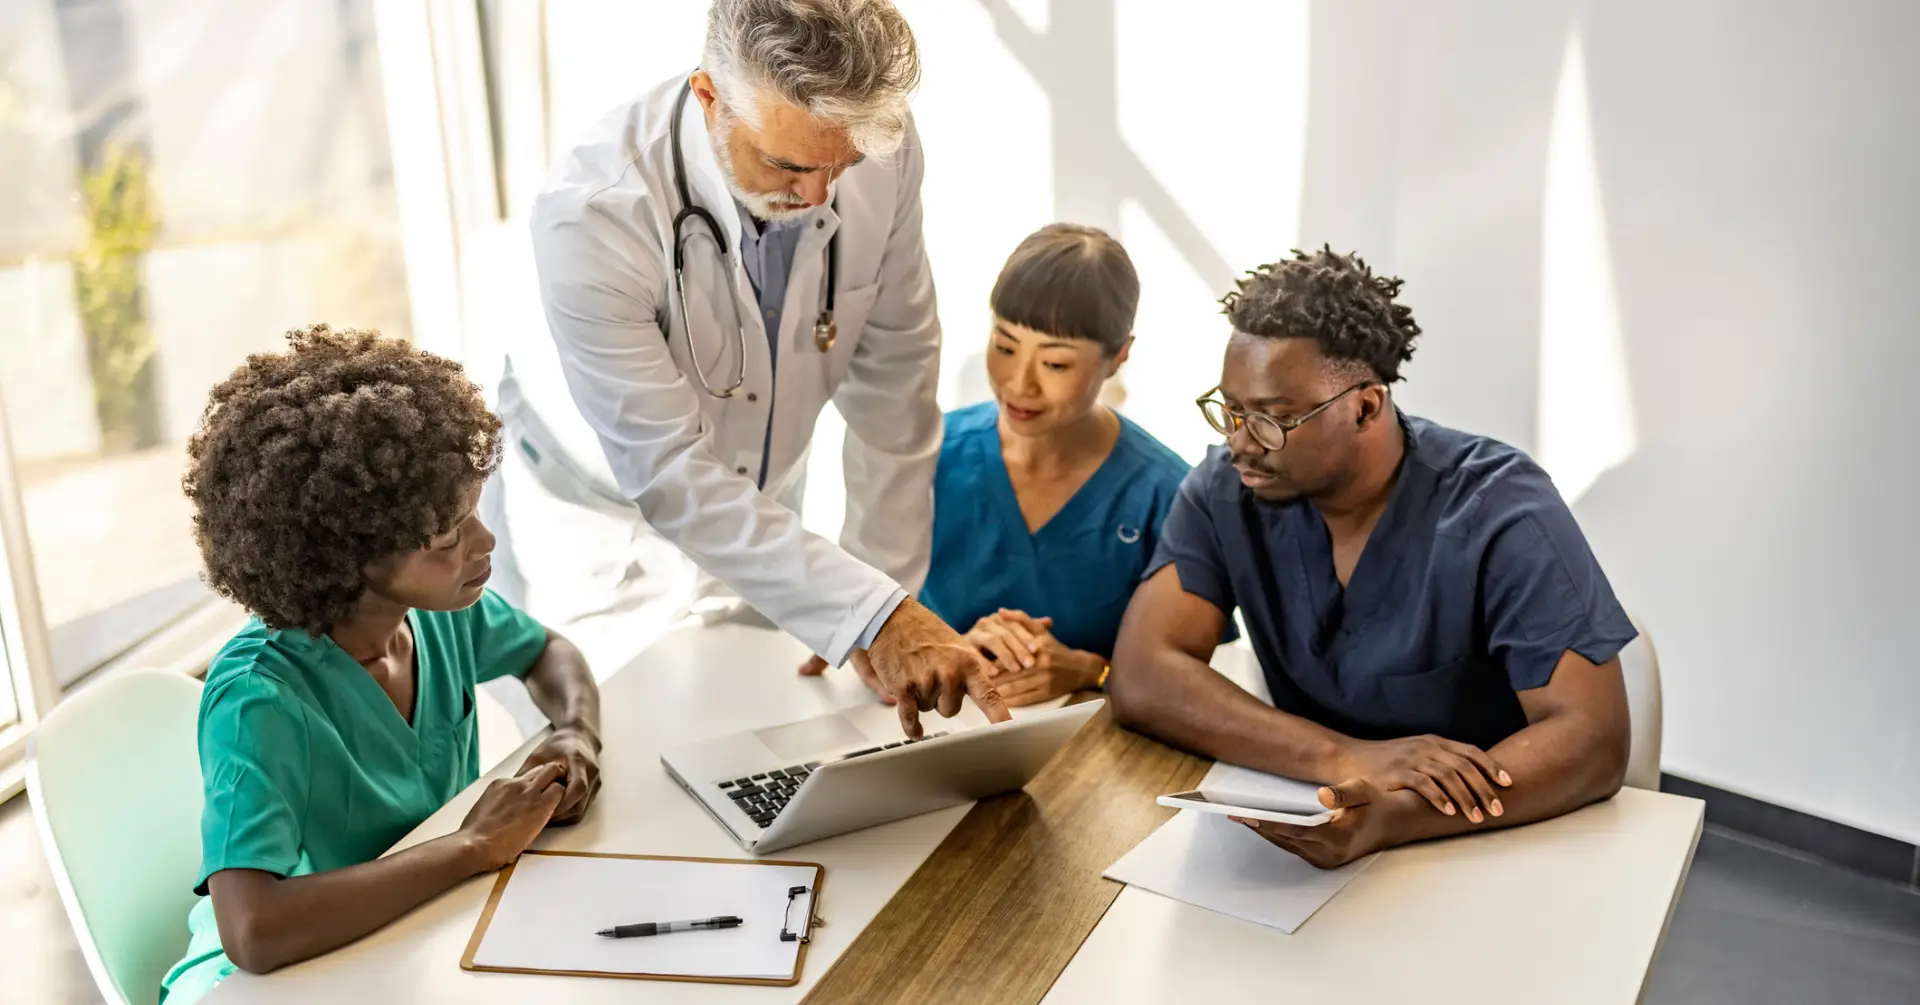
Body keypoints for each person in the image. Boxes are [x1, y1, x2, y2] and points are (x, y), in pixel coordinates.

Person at [502, 0, 1004, 737]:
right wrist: (866, 610)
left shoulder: (873, 142)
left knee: (760, 756)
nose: (821, 195)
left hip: (764, 505)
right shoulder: (597, 213)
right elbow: (671, 472)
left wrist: (876, 596)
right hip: (608, 542)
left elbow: (897, 387)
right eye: (790, 164)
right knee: (622, 778)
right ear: (709, 95)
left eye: (845, 165)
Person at [1109, 248, 1637, 869]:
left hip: (1490, 839)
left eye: (1274, 420)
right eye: (1231, 409)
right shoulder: (1226, 491)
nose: (1241, 442)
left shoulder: (1499, 509)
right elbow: (1142, 675)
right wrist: (1344, 758)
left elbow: (1593, 738)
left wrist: (1399, 814)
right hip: (1314, 819)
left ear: (1364, 407)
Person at [159, 326, 603, 1002]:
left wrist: (574, 729)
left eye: (474, 515)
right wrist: (471, 846)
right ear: (347, 556)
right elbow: (253, 929)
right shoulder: (259, 699)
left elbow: (548, 652)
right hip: (270, 982)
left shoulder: (438, 613)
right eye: (446, 536)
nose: (485, 543)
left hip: (408, 942)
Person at [908, 224, 1203, 707]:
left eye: (1056, 364)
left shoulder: (1168, 495)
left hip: (1098, 750)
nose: (1019, 383)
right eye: (1004, 347)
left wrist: (1091, 670)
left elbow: (1195, 670)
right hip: (930, 727)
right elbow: (869, 610)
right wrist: (947, 645)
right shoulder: (926, 455)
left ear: (1119, 356)